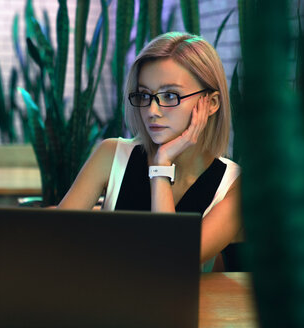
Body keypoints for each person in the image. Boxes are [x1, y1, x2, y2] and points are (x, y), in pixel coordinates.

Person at [58, 32, 241, 271]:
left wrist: (161, 168)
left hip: (183, 308)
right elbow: (55, 242)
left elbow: (172, 261)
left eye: (169, 96)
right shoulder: (112, 154)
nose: (152, 110)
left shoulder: (235, 186)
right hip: (104, 303)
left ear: (212, 103)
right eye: (144, 95)